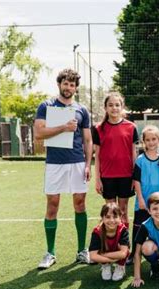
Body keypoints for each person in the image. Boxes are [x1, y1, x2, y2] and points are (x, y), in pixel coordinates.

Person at [34, 69, 93, 269]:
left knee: (80, 204)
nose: (69, 88)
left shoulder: (82, 110)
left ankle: (81, 250)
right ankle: (50, 253)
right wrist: (63, 128)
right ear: (59, 84)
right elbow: (39, 133)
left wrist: (87, 164)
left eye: (72, 85)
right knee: (52, 205)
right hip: (54, 163)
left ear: (76, 87)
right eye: (65, 84)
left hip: (77, 162)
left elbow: (87, 139)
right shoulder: (46, 106)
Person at [91, 92, 138, 227]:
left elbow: (133, 153)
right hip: (107, 176)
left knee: (123, 211)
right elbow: (97, 156)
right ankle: (110, 246)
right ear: (105, 108)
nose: (114, 108)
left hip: (126, 175)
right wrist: (98, 179)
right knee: (110, 213)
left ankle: (124, 245)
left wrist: (134, 177)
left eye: (117, 105)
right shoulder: (99, 128)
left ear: (122, 107)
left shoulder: (131, 127)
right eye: (110, 105)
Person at [129, 125, 159, 264]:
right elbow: (137, 181)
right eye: (148, 140)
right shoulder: (140, 160)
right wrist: (140, 199)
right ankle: (134, 254)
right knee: (138, 228)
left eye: (154, 139)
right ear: (144, 141)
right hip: (143, 201)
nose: (151, 142)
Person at [89, 203, 130, 281]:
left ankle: (120, 266)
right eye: (108, 217)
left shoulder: (123, 230)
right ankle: (105, 265)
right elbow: (93, 256)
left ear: (120, 217)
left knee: (126, 250)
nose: (112, 220)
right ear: (102, 218)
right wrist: (109, 260)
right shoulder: (97, 231)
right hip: (107, 251)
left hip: (114, 252)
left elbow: (123, 253)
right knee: (100, 248)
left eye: (115, 217)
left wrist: (103, 255)